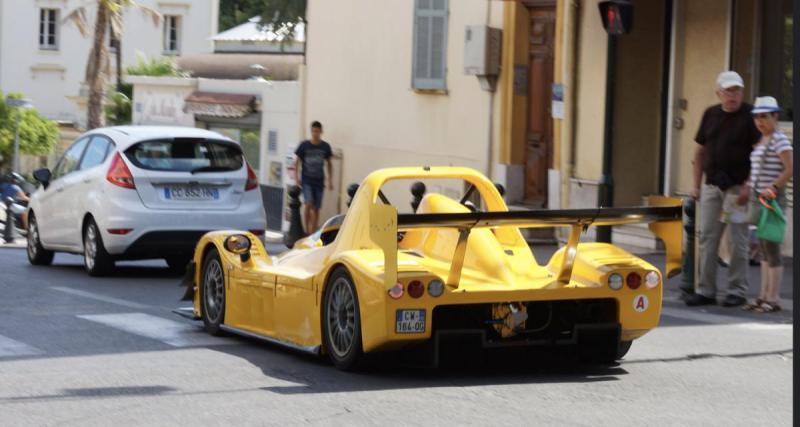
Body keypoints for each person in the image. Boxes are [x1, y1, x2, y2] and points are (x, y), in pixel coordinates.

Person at [685, 71, 760, 307]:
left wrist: (750, 185)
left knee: (738, 239)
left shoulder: (750, 116)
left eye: (736, 90)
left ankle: (737, 290)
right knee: (707, 237)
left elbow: (758, 154)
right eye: (728, 91)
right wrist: (695, 185)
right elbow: (699, 151)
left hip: (738, 188)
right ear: (719, 93)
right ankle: (705, 289)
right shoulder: (710, 114)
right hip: (711, 185)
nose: (733, 95)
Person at [740, 96, 792, 313]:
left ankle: (774, 297)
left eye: (764, 117)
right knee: (761, 249)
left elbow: (790, 167)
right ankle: (762, 296)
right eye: (757, 118)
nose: (760, 122)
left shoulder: (779, 139)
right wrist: (747, 186)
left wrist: (774, 187)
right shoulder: (761, 141)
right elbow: (756, 172)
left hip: (772, 201)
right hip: (758, 200)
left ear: (775, 117)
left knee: (771, 248)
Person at [294, 121, 333, 233]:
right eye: (313, 131)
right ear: (311, 132)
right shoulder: (304, 145)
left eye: (317, 131)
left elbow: (329, 163)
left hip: (319, 181)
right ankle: (306, 231)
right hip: (307, 180)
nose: (315, 133)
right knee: (308, 204)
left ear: (321, 132)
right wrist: (297, 178)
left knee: (316, 208)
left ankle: (312, 232)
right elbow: (297, 162)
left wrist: (330, 180)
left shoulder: (325, 147)